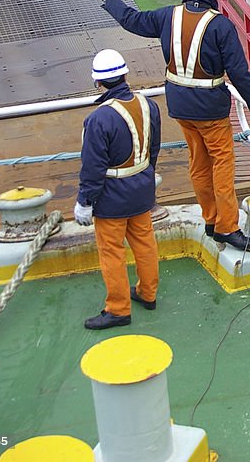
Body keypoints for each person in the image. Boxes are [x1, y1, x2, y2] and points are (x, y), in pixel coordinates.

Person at [93, 0, 250, 251]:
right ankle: (227, 227)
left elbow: (132, 20)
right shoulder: (221, 26)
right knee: (222, 167)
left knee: (199, 164)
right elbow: (239, 72)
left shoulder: (168, 17)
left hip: (180, 107)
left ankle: (211, 219)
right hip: (211, 111)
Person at [75, 49, 162, 330]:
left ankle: (118, 309)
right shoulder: (149, 105)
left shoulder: (99, 119)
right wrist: (146, 177)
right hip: (142, 189)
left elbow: (92, 167)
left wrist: (85, 202)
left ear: (98, 83)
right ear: (125, 75)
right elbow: (154, 148)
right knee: (145, 242)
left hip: (112, 198)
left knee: (112, 252)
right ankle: (148, 294)